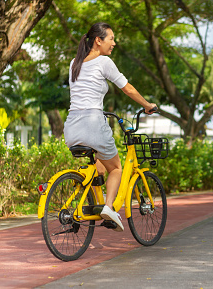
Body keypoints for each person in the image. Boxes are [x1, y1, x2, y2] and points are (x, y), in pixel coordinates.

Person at [64, 22, 157, 232]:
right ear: (98, 40)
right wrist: (147, 105)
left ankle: (96, 203)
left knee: (98, 166)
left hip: (71, 126)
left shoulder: (74, 63)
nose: (114, 43)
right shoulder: (104, 61)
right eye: (111, 39)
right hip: (93, 123)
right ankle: (108, 208)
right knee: (115, 168)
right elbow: (128, 88)